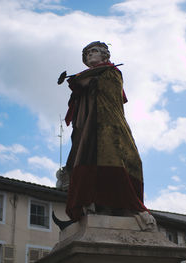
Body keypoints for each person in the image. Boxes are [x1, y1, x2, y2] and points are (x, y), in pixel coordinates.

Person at [64, 41, 154, 226]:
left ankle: (122, 204)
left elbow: (110, 97)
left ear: (105, 56)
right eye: (87, 53)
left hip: (109, 122)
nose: (89, 55)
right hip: (87, 126)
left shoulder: (111, 73)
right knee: (89, 158)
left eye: (94, 51)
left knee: (126, 158)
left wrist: (87, 82)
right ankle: (96, 203)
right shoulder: (82, 79)